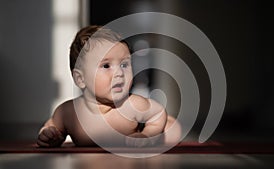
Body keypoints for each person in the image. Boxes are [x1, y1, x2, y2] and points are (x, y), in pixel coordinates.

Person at [37, 25, 181, 147]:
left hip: (139, 137)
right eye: (106, 66)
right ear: (80, 79)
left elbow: (158, 113)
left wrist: (147, 134)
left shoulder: (131, 104)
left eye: (124, 64)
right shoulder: (68, 112)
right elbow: (53, 125)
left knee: (172, 131)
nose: (119, 73)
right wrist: (50, 134)